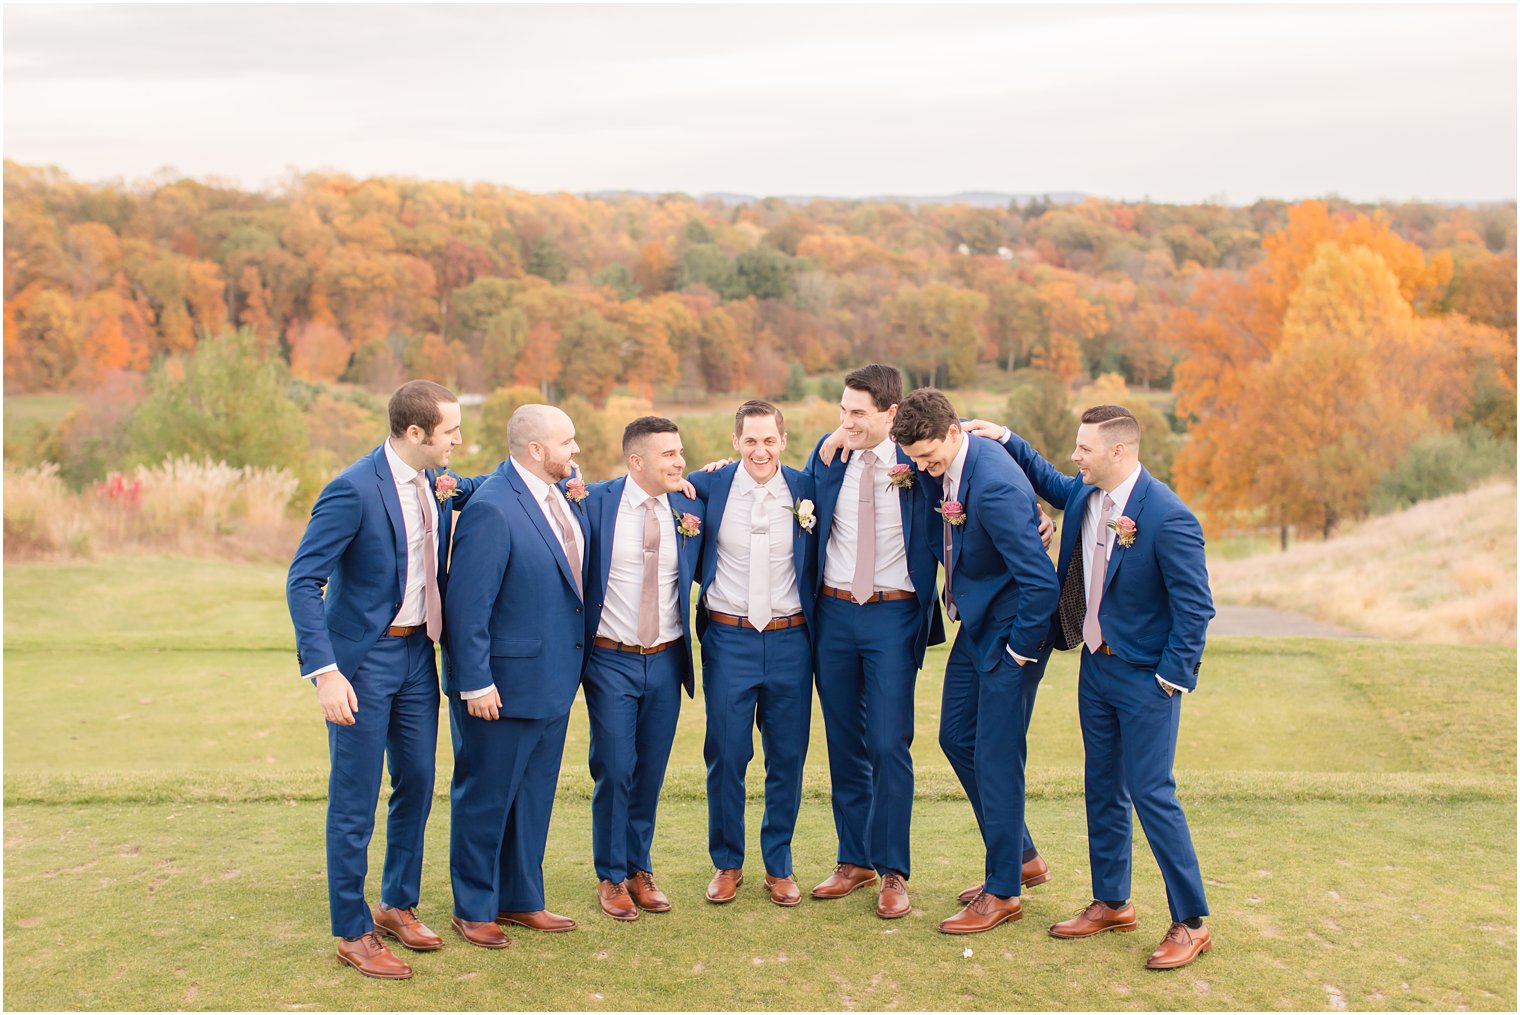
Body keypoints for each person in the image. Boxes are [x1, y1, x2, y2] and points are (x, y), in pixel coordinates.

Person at [966, 406, 1217, 969]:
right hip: (1094, 666)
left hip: (1147, 678)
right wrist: (1007, 437)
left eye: (1084, 448)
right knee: (1102, 786)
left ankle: (1191, 922)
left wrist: (1170, 679)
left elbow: (1196, 607)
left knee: (1152, 792)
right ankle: (1112, 902)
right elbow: (1051, 481)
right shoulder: (1086, 496)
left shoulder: (1168, 517)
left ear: (1118, 452)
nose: (1075, 457)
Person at [286, 379, 476, 980]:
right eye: (451, 432)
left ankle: (396, 904)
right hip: (360, 663)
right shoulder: (351, 491)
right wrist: (325, 674)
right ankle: (351, 930)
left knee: (418, 781)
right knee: (355, 798)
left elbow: (502, 484)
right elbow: (302, 581)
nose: (459, 442)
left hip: (420, 655)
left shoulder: (435, 480)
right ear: (416, 433)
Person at [890, 389, 1059, 934]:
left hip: (1012, 635)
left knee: (995, 755)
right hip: (977, 625)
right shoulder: (936, 461)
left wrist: (1018, 652)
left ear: (955, 431)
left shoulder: (996, 485)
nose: (921, 467)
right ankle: (1023, 856)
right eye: (914, 459)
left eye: (929, 456)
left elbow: (1041, 583)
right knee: (957, 737)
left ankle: (1004, 890)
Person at [800, 364, 944, 919]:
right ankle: (853, 859)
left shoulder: (919, 463)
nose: (845, 421)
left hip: (894, 615)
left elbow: (970, 484)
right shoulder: (829, 455)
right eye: (842, 411)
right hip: (833, 613)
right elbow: (790, 488)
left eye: (857, 412)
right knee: (843, 743)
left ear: (891, 413)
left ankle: (893, 871)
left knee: (887, 743)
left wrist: (1035, 516)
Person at [443, 404, 588, 949]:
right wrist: (475, 682)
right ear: (535, 450)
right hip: (500, 688)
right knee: (486, 798)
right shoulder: (493, 508)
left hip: (552, 681)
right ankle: (473, 906)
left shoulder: (558, 494)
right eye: (567, 442)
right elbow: (467, 607)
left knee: (532, 798)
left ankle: (521, 898)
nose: (575, 452)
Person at [686, 400, 819, 907]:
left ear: (783, 441)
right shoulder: (707, 486)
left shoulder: (809, 489)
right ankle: (727, 862)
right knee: (725, 753)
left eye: (769, 440)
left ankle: (779, 864)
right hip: (729, 638)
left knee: (787, 756)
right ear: (735, 442)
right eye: (750, 441)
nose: (760, 450)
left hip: (791, 639)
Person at [581, 417, 704, 920]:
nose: (679, 462)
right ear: (636, 461)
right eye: (668, 455)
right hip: (610, 657)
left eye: (680, 452)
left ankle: (639, 867)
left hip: (668, 656)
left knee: (650, 770)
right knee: (615, 766)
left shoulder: (691, 504)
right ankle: (610, 875)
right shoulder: (592, 503)